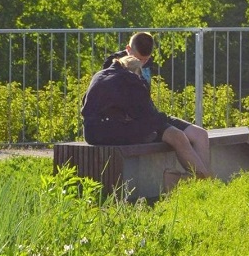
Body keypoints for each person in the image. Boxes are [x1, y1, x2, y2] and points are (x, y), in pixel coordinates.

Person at [82, 54, 211, 178]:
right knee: (176, 136)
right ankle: (204, 179)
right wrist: (162, 119)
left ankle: (199, 177)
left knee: (171, 133)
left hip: (91, 131)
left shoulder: (99, 75)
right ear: (136, 71)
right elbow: (148, 116)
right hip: (113, 130)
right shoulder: (130, 79)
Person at [101, 31, 211, 173]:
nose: (142, 63)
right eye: (138, 59)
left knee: (200, 135)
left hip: (151, 114)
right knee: (178, 137)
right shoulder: (114, 64)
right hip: (137, 121)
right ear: (128, 49)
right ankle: (204, 179)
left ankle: (202, 180)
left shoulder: (147, 62)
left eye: (146, 59)